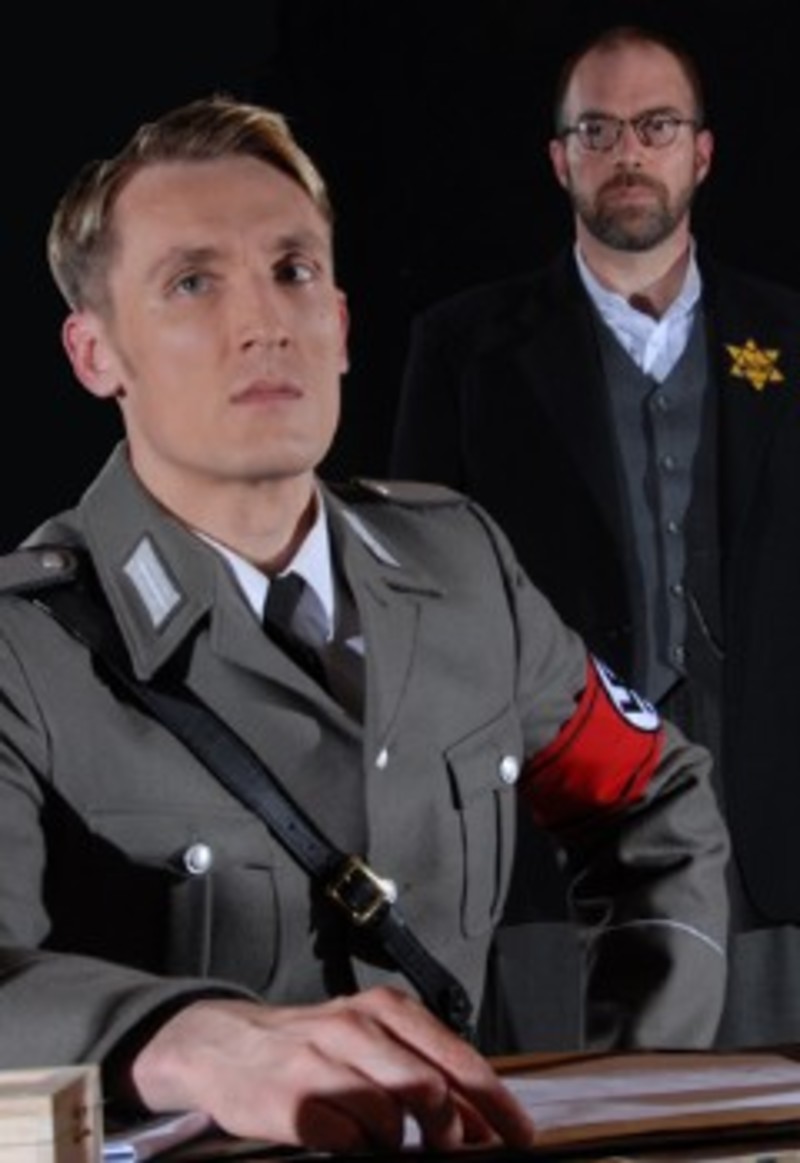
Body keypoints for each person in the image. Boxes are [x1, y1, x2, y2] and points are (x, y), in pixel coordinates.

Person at [0, 93, 728, 1154]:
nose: (264, 322)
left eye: (293, 270)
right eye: (193, 282)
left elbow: (646, 795)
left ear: (340, 325)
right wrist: (185, 1039)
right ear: (94, 353)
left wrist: (636, 1093)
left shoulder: (461, 572)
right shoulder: (24, 652)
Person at [390, 23, 800, 1051]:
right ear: (559, 157)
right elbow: (415, 608)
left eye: (655, 126)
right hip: (553, 847)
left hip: (775, 844)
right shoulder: (464, 349)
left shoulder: (791, 338)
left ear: (700, 151)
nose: (628, 152)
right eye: (598, 129)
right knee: (576, 1111)